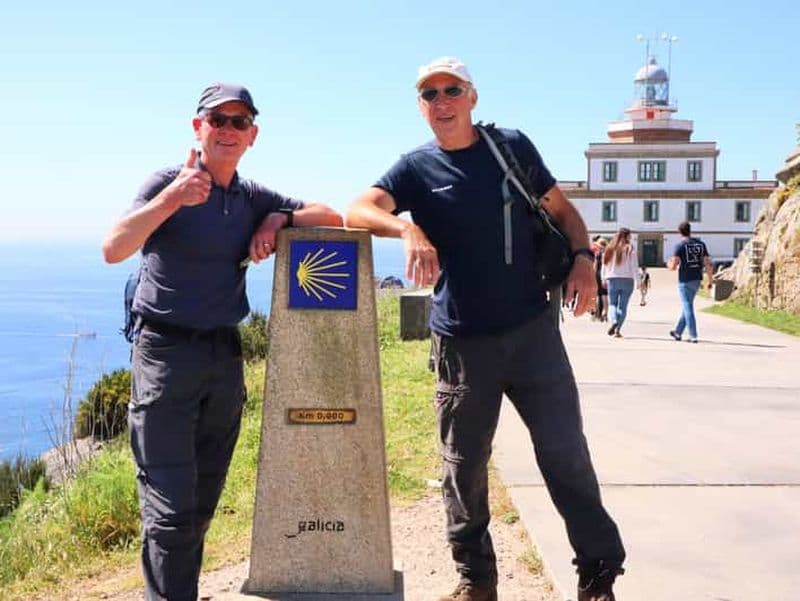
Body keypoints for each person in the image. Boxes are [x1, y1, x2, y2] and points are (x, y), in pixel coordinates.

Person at [345, 57, 625, 601]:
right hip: (462, 343)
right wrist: (406, 226)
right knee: (463, 466)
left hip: (533, 334)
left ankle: (598, 574)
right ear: (421, 106)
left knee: (566, 456)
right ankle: (477, 580)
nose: (441, 101)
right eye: (429, 94)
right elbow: (358, 209)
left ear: (472, 96)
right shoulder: (415, 169)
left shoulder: (511, 148)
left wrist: (585, 259)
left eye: (452, 90)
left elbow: (564, 212)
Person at [102, 83, 342, 601]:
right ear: (198, 128)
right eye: (218, 120)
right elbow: (114, 247)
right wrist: (172, 199)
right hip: (164, 356)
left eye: (239, 122)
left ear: (252, 135)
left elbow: (332, 216)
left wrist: (282, 219)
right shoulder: (168, 182)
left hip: (223, 356)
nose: (228, 130)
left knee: (203, 498)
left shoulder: (252, 197)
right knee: (168, 506)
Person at [668, 221, 713, 343]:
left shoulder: (680, 246)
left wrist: (669, 263)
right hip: (697, 279)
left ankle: (693, 335)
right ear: (690, 230)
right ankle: (678, 332)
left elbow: (673, 266)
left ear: (679, 231)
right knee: (687, 305)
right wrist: (710, 279)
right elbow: (708, 263)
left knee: (687, 306)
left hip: (685, 279)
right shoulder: (701, 244)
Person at [601, 228, 638, 338]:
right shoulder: (630, 249)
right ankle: (617, 330)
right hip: (627, 280)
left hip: (612, 279)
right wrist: (639, 280)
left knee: (612, 304)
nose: (630, 238)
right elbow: (634, 266)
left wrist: (603, 278)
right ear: (626, 237)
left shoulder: (609, 249)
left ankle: (613, 321)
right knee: (623, 306)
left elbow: (604, 265)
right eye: (629, 236)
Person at [593, 237, 609, 322]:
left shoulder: (598, 254)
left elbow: (595, 266)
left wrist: (592, 275)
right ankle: (605, 313)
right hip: (606, 275)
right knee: (605, 296)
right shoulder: (608, 253)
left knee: (598, 295)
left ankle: (598, 314)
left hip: (598, 275)